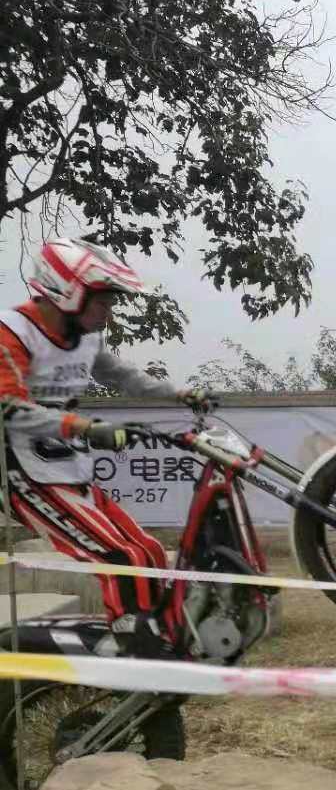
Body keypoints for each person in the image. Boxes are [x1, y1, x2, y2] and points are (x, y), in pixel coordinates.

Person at [0, 237, 213, 656]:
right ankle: (133, 649)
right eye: (103, 303)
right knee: (120, 557)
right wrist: (87, 428)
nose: (108, 313)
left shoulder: (85, 338)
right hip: (22, 474)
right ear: (67, 290)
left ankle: (156, 641)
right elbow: (8, 407)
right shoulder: (14, 333)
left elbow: (123, 375)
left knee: (149, 552)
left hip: (67, 467)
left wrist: (178, 393)